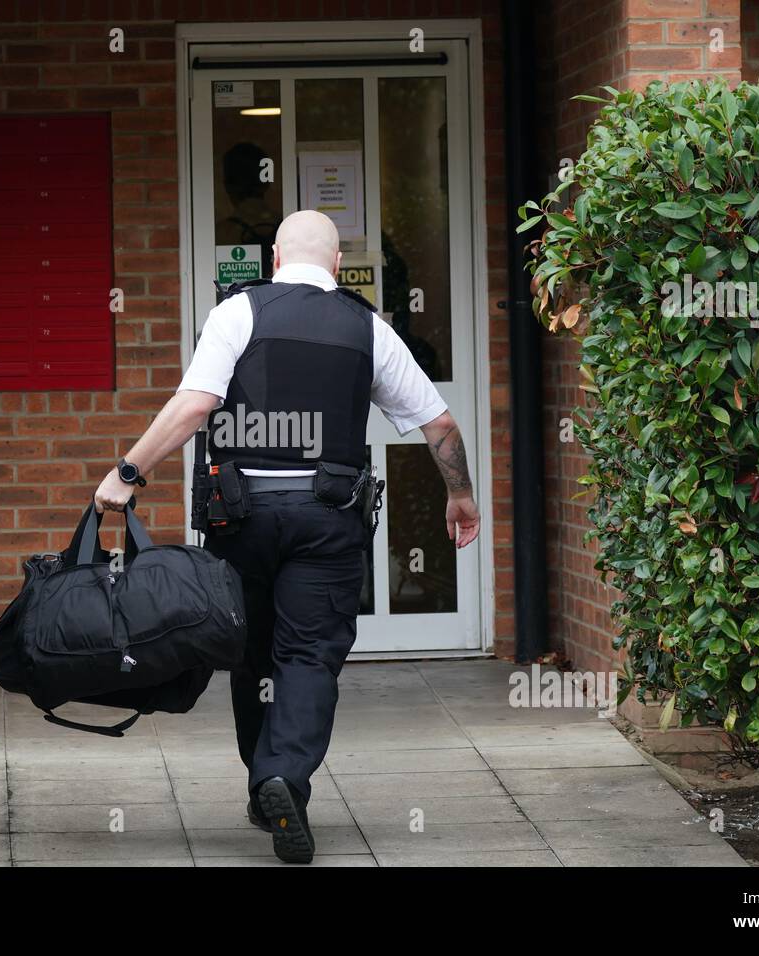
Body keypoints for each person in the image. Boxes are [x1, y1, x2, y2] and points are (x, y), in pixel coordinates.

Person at [93, 209, 479, 863]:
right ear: (335, 266)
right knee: (308, 657)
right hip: (329, 519)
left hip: (240, 516)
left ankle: (264, 780)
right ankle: (282, 778)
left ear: (275, 259)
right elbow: (437, 424)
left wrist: (128, 471)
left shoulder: (238, 312)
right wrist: (460, 495)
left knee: (251, 651)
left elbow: (194, 405)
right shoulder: (367, 326)